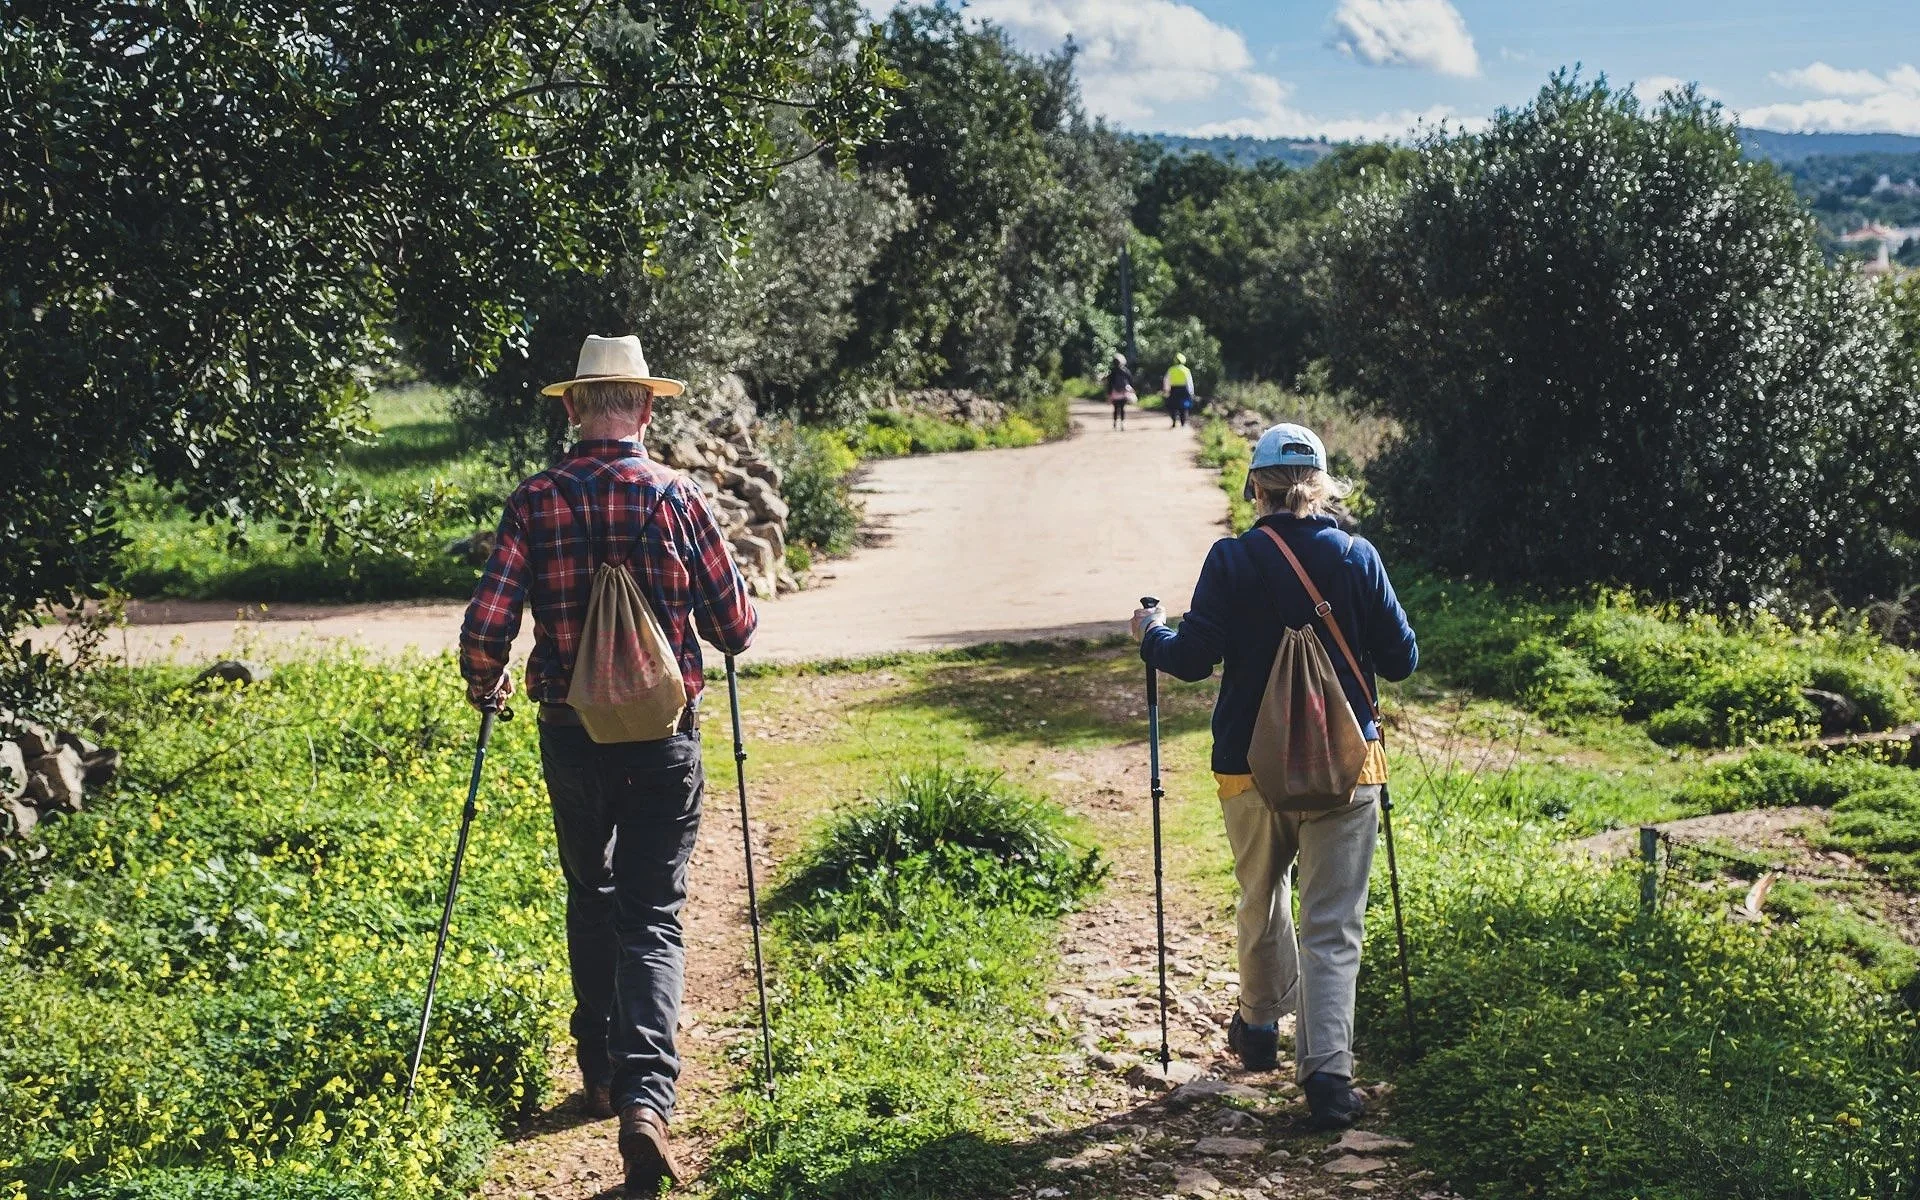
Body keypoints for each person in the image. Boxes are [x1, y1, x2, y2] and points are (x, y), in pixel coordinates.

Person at [460, 333, 758, 1194]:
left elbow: (488, 628)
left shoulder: (537, 500)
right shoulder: (679, 497)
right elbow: (736, 624)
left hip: (571, 730)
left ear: (570, 408)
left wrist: (492, 682)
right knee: (653, 914)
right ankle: (645, 1104)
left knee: (589, 892)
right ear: (648, 408)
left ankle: (596, 1069)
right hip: (665, 738)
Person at [1130, 422, 1416, 1132]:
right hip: (1349, 771)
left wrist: (1151, 633)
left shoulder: (1231, 560)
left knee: (1260, 894)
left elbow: (1193, 659)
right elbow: (1402, 658)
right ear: (1320, 487)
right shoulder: (1356, 555)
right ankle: (1327, 1079)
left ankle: (1258, 1028)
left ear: (1254, 486)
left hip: (1247, 768)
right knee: (1333, 925)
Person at [1163, 352, 1195, 428]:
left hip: (1173, 389)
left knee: (1173, 406)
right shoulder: (1186, 370)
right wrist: (1191, 392)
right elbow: (1189, 382)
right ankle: (1183, 423)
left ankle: (1174, 421)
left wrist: (1166, 391)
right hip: (1183, 390)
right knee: (1183, 407)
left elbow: (1166, 380)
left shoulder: (1171, 369)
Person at [1105, 351, 1136, 430]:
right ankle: (1122, 424)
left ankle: (1115, 423)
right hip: (1123, 392)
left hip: (1114, 393)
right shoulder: (1125, 371)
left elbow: (1109, 384)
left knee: (1115, 409)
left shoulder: (1112, 372)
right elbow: (1131, 381)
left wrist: (1109, 394)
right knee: (1122, 408)